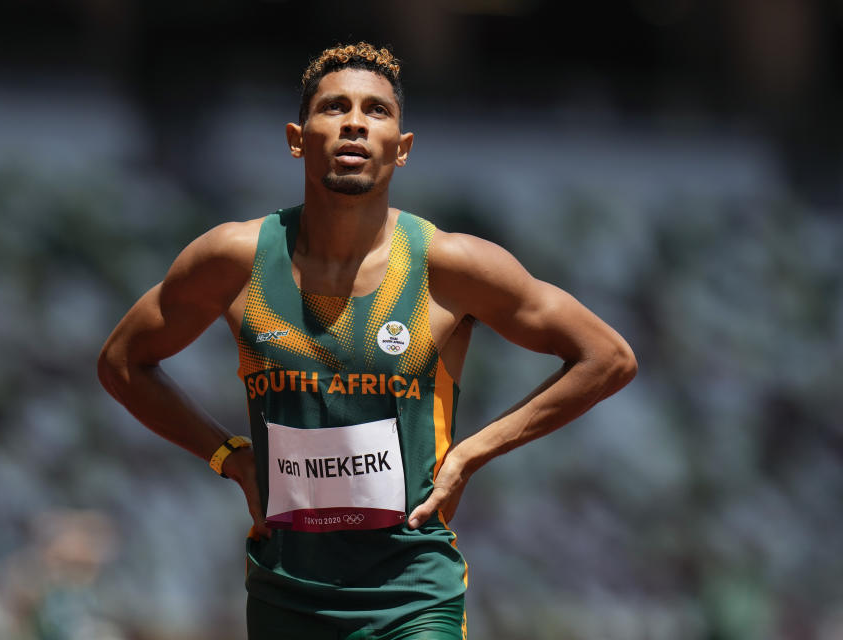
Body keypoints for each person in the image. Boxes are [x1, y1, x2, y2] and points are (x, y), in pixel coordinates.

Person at [98, 42, 637, 640]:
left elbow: (608, 358)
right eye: (334, 107)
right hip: (288, 593)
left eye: (376, 110)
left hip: (412, 592)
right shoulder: (234, 259)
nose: (355, 121)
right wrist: (232, 458)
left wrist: (471, 454)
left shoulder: (450, 265)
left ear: (401, 150)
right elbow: (123, 364)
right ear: (297, 137)